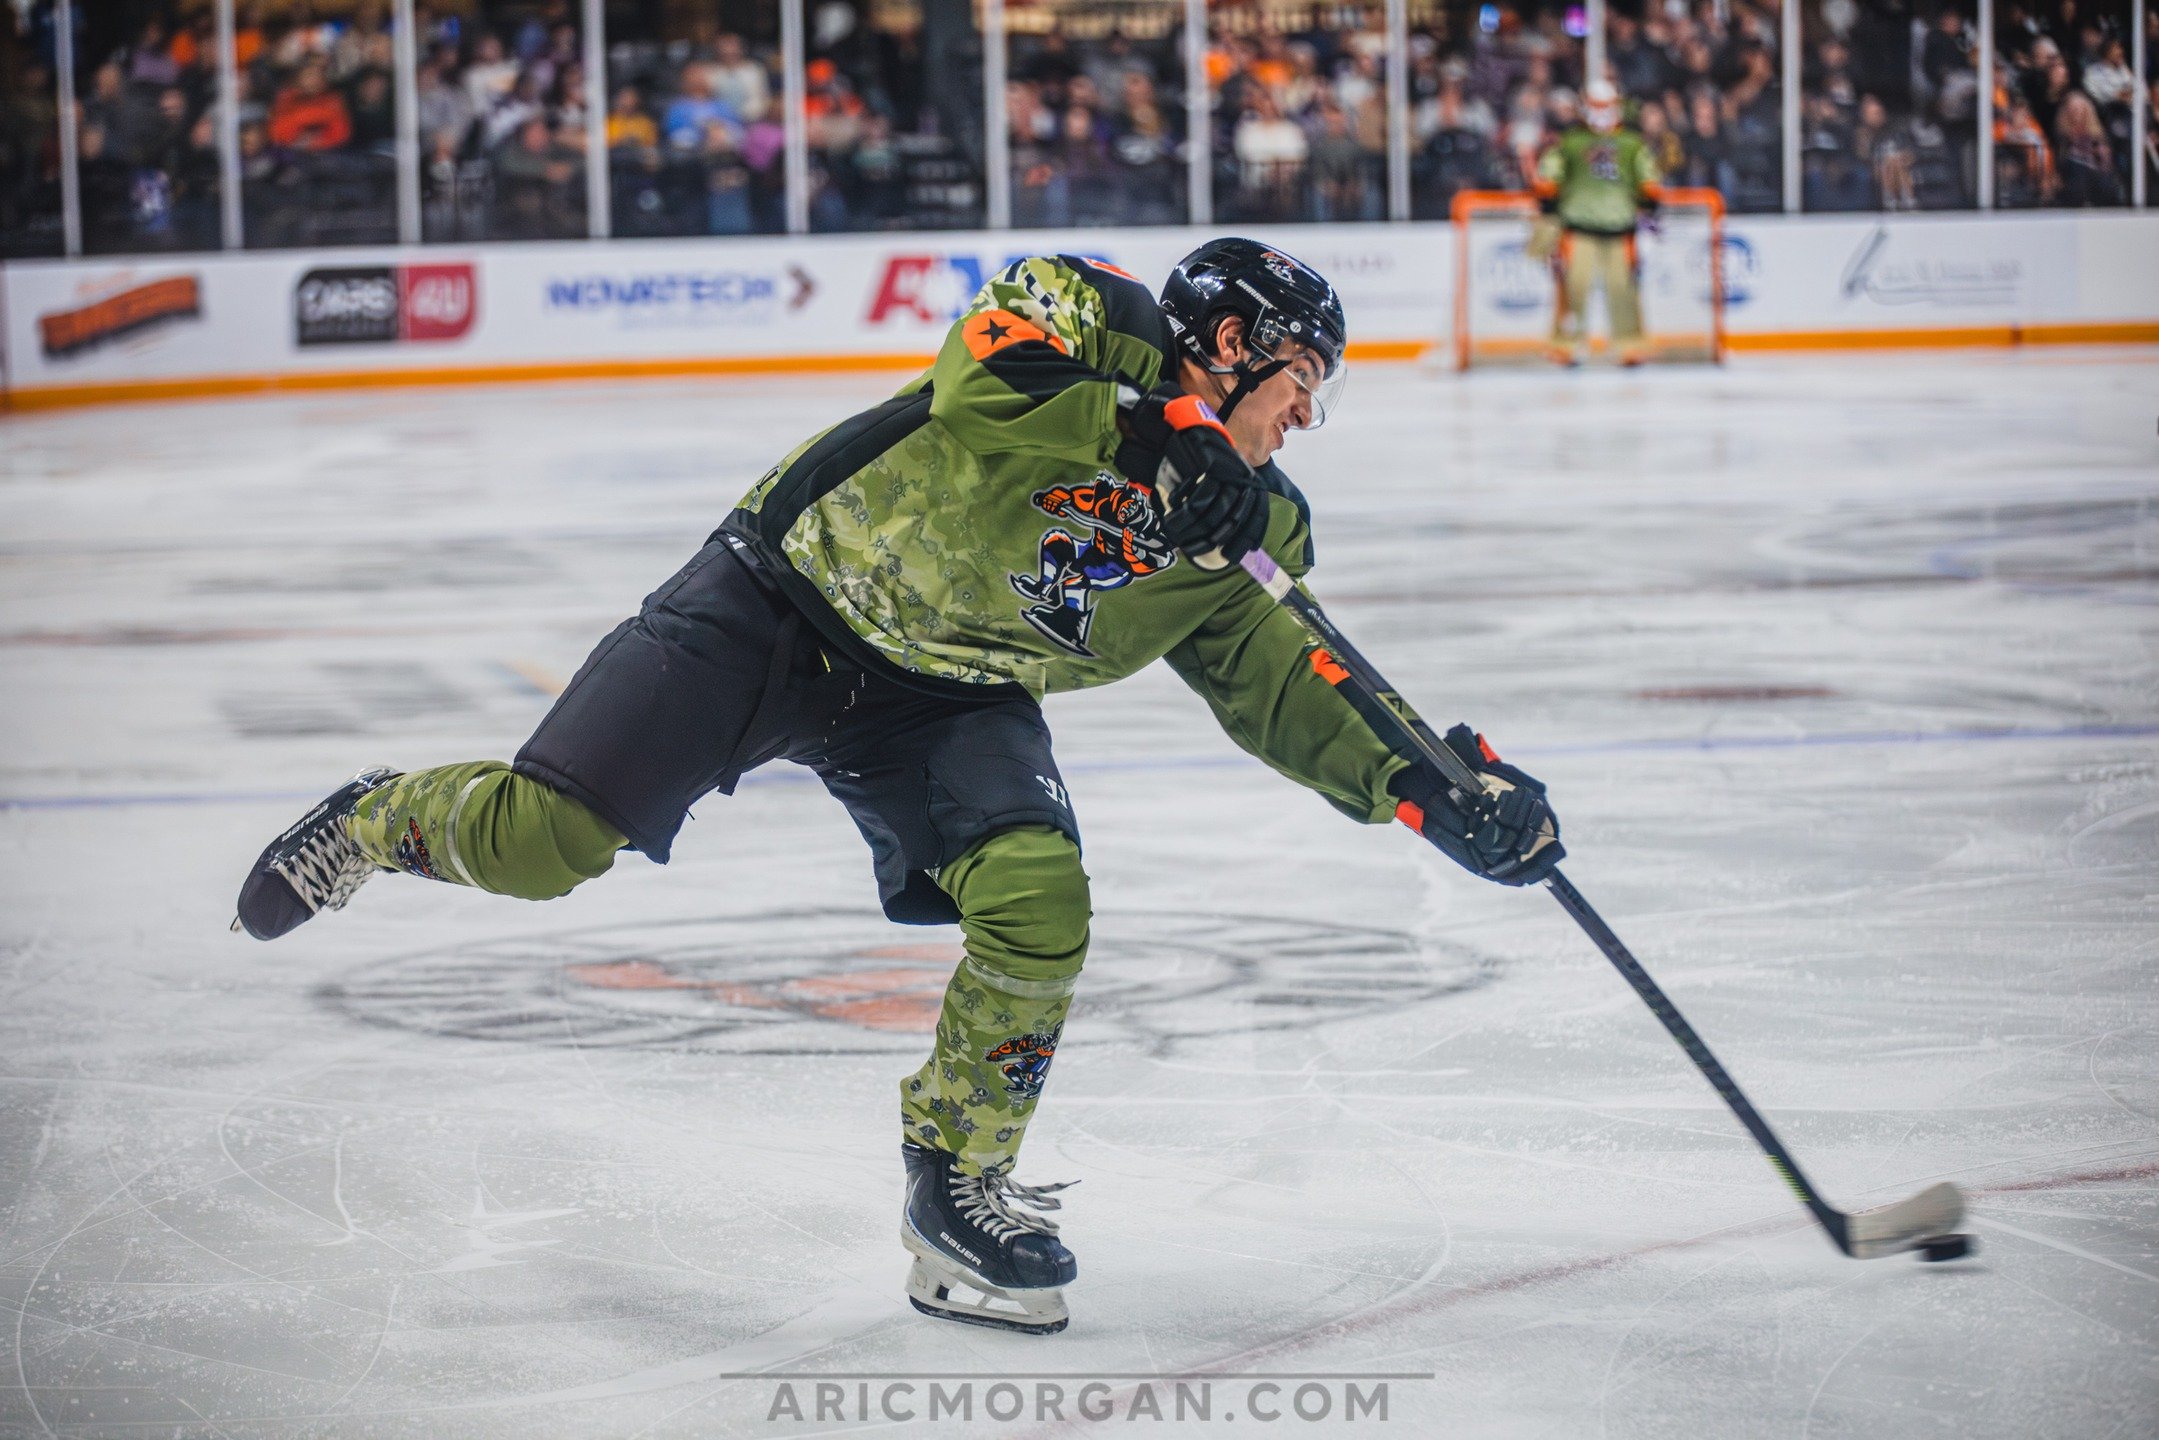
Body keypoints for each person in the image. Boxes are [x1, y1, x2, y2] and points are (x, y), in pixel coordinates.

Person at [230, 240, 1563, 1336]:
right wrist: (1154, 431)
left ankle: (958, 1184)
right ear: (1227, 347)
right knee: (545, 843)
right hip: (780, 594)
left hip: (945, 688)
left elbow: (1283, 671)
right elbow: (981, 374)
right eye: (1298, 380)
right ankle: (380, 815)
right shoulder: (1094, 311)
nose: (1305, 415)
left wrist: (1436, 790)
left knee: (1037, 893)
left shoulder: (1249, 526)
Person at [1534, 79, 1662, 366]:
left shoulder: (1632, 144)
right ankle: (1565, 344)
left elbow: (1649, 181)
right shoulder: (1570, 142)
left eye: (1605, 106)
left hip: (1621, 227)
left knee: (1623, 289)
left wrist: (1650, 202)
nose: (1600, 112)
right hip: (1578, 227)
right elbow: (1548, 178)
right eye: (1595, 105)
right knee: (1574, 287)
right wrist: (1547, 199)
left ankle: (1630, 343)